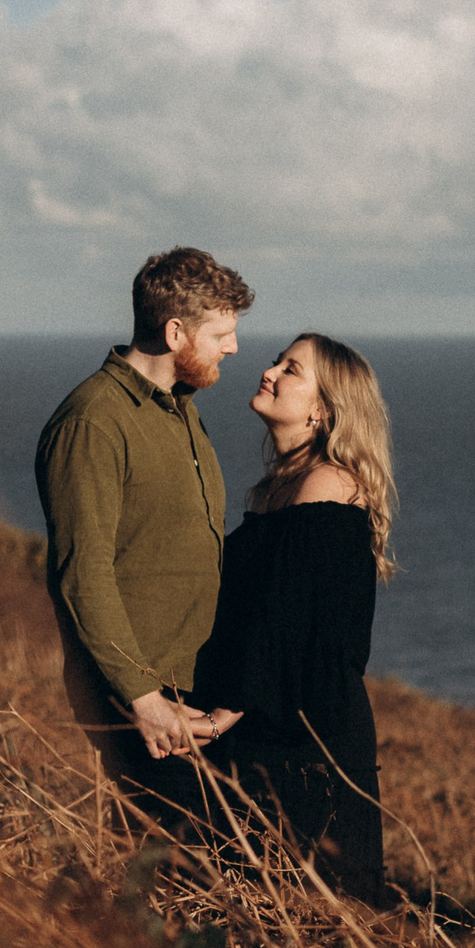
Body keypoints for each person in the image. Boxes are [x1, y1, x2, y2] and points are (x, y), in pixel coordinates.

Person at [35, 247, 255, 829]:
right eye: (222, 334)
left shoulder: (180, 410)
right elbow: (82, 575)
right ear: (175, 331)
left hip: (190, 687)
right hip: (142, 699)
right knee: (166, 878)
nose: (233, 348)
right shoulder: (93, 422)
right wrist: (144, 700)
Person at [192, 334, 397, 906]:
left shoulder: (328, 487)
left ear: (323, 410)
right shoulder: (271, 493)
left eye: (292, 369)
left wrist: (221, 716)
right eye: (278, 361)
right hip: (269, 724)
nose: (269, 371)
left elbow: (296, 627)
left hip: (309, 738)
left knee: (319, 916)